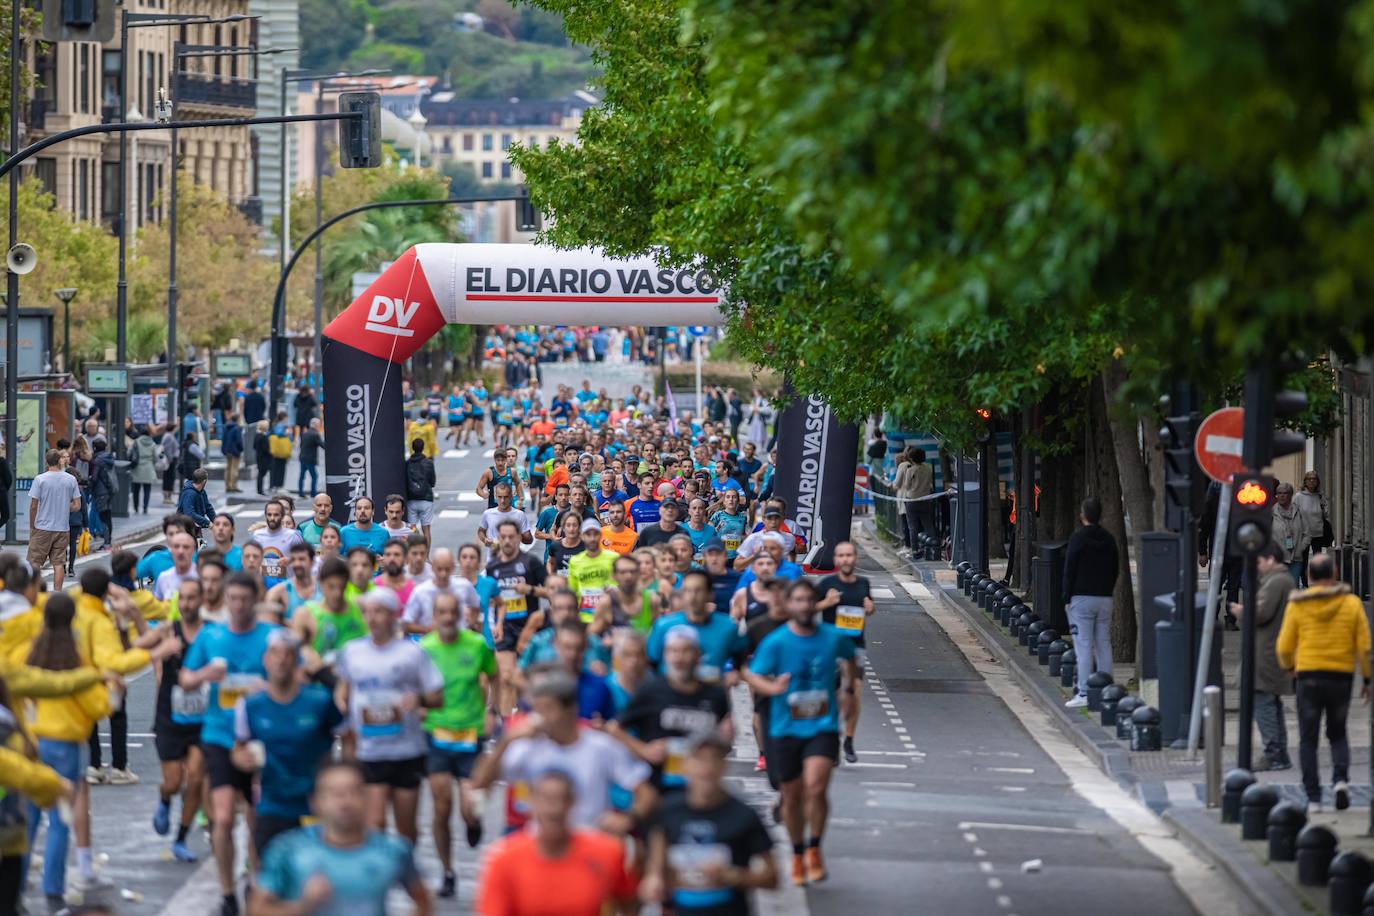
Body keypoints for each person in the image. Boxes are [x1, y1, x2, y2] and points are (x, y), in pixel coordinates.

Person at [744, 579, 857, 885]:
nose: (805, 606)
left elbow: (851, 658)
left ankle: (814, 848)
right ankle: (796, 853)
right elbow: (753, 676)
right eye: (799, 600)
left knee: (817, 787)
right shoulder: (776, 642)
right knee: (792, 798)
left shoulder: (833, 637)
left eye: (810, 600)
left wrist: (848, 691)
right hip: (785, 727)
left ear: (815, 604)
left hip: (821, 726)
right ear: (790, 605)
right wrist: (772, 687)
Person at [179, 571, 278, 916]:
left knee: (255, 818)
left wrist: (265, 688)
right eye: (232, 599)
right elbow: (186, 679)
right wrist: (205, 675)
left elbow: (291, 679)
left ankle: (254, 879)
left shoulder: (271, 637)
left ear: (255, 600)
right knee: (222, 819)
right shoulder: (212, 636)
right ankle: (226, 892)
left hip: (260, 739)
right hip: (219, 736)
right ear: (225, 599)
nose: (238, 606)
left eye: (244, 600)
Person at [473, 669, 654, 832]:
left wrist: (629, 820)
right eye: (538, 709)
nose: (540, 717)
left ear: (571, 710)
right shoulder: (527, 746)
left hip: (588, 847)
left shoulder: (601, 747)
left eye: (548, 709)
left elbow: (646, 792)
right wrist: (506, 741)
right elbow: (480, 781)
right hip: (540, 849)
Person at [334, 588, 444, 845]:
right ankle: (378, 878)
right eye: (368, 612)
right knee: (375, 824)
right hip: (370, 750)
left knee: (406, 830)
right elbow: (344, 688)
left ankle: (406, 873)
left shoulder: (412, 653)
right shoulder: (352, 652)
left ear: (393, 615)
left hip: (406, 750)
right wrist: (342, 704)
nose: (372, 618)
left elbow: (437, 697)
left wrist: (418, 700)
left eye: (379, 612)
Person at [21, 592, 112, 906]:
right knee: (59, 821)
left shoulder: (33, 654)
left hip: (35, 744)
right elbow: (99, 707)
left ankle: (15, 883)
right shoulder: (76, 661)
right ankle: (53, 886)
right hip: (68, 747)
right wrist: (111, 689)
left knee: (29, 818)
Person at [252, 761, 432, 916]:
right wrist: (302, 906)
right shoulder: (288, 849)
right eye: (334, 794)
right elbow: (255, 910)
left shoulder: (393, 849)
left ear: (367, 799)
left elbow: (423, 901)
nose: (345, 802)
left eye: (353, 792)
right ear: (315, 802)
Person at [232, 629, 344, 856]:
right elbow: (238, 750)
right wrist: (242, 760)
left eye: (288, 654)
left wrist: (341, 784)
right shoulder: (251, 706)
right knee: (268, 875)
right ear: (265, 660)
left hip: (314, 805)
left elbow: (348, 737)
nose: (281, 660)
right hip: (272, 804)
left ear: (297, 661)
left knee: (312, 881)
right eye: (275, 653)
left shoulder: (320, 701)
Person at [641, 733, 779, 914]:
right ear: (685, 765)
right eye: (699, 759)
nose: (707, 768)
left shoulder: (743, 815)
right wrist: (654, 876)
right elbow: (658, 840)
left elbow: (772, 878)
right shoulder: (668, 809)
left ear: (724, 766)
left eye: (714, 759)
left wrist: (731, 876)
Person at [1276, 551, 1372, 811]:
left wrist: (1290, 668)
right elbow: (1363, 646)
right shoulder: (1351, 604)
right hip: (1340, 677)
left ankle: (1314, 797)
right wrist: (1367, 679)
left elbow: (1284, 646)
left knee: (1308, 739)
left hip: (1308, 676)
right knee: (1338, 733)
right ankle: (1340, 781)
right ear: (1335, 574)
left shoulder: (1298, 605)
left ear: (1308, 576)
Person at [476, 769, 637, 916]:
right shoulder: (504, 859)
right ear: (531, 803)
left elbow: (628, 902)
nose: (554, 809)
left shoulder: (606, 853)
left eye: (561, 799)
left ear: (572, 803)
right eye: (546, 799)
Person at [421, 592, 497, 898]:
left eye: (453, 612)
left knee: (469, 808)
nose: (448, 617)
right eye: (442, 612)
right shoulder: (425, 648)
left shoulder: (476, 645)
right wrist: (418, 708)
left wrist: (492, 711)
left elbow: (495, 676)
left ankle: (473, 823)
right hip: (436, 734)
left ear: (460, 614)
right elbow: (415, 685)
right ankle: (448, 872)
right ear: (435, 615)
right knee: (441, 807)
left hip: (470, 734)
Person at [615, 625, 732, 792]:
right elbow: (615, 728)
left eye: (686, 651)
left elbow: (723, 743)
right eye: (673, 651)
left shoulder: (716, 695)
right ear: (665, 656)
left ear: (698, 654)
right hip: (658, 785)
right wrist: (644, 750)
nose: (679, 658)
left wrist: (726, 738)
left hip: (699, 787)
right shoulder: (651, 690)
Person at [144, 577, 207, 862]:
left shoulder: (211, 634)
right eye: (182, 599)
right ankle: (165, 799)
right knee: (173, 782)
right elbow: (139, 646)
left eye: (192, 598)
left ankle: (180, 838)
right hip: (170, 716)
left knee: (195, 779)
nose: (187, 604)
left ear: (202, 601)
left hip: (201, 719)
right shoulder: (170, 630)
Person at [1230, 543, 1296, 771]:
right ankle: (1279, 751)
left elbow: (1261, 612)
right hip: (1268, 649)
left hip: (1266, 652)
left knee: (1264, 701)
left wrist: (1241, 612)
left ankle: (1273, 751)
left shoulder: (1277, 581)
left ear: (1270, 559)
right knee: (1270, 702)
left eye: (1258, 562)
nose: (1257, 567)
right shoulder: (1281, 581)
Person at [816, 540, 874, 763]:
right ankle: (830, 735)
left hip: (855, 647)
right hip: (829, 647)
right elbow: (807, 609)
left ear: (855, 558)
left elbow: (867, 609)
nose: (845, 559)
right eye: (841, 556)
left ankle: (848, 739)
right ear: (835, 560)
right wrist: (826, 602)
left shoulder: (863, 583)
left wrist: (870, 609)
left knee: (854, 693)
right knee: (831, 695)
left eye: (849, 555)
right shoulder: (826, 584)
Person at [486, 519, 549, 713]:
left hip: (528, 627)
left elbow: (551, 590)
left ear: (518, 538)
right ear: (497, 538)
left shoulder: (530, 562)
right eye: (502, 537)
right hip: (504, 627)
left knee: (524, 679)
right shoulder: (493, 567)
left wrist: (530, 589)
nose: (506, 541)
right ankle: (506, 726)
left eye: (511, 537)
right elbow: (491, 599)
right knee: (505, 676)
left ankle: (524, 716)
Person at [1062, 497, 1119, 709]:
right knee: (1103, 643)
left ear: (1082, 515)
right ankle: (1106, 689)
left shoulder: (1078, 539)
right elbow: (1115, 567)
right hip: (1104, 597)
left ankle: (1084, 691)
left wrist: (1066, 597)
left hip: (1081, 598)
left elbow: (1069, 569)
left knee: (1083, 645)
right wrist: (1108, 590)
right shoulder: (1109, 539)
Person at [647, 570, 746, 686]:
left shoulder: (728, 627)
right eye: (687, 591)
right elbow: (651, 662)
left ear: (710, 594)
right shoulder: (663, 625)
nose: (692, 597)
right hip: (670, 695)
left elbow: (741, 654)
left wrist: (735, 673)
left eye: (698, 591)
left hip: (711, 695)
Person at [28, 448, 82, 588]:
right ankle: (57, 593)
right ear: (60, 461)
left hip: (42, 527)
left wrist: (32, 525)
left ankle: (36, 591)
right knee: (58, 563)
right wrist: (64, 507)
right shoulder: (71, 480)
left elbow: (33, 506)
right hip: (62, 528)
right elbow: (77, 505)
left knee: (35, 562)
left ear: (47, 462)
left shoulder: (40, 479)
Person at [403, 547, 479, 637]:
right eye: (439, 569)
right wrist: (428, 629)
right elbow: (407, 623)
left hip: (459, 642)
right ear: (432, 567)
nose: (443, 574)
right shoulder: (421, 591)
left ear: (453, 567)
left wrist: (469, 626)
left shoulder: (464, 586)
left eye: (447, 569)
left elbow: (475, 606)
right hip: (431, 646)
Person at [567, 517, 618, 623]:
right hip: (584, 618)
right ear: (581, 536)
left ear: (600, 535)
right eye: (588, 534)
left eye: (595, 534)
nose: (592, 538)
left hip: (608, 617)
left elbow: (622, 586)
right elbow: (573, 592)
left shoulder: (614, 558)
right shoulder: (575, 561)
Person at [253, 499, 305, 590]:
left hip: (287, 587)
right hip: (264, 587)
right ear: (265, 516)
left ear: (282, 516)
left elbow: (306, 558)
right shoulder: (257, 536)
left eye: (276, 515)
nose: (272, 518)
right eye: (269, 515)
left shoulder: (292, 536)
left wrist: (290, 560)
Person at [1272, 482, 1311, 585]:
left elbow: (1307, 533)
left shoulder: (1299, 511)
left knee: (1293, 587)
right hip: (1278, 559)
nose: (1282, 495)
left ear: (1291, 494)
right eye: (1279, 493)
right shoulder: (1271, 513)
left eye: (1285, 493)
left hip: (1295, 558)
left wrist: (1300, 547)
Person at [478, 481, 533, 554]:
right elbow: (481, 531)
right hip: (493, 559)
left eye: (506, 497)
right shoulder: (488, 513)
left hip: (513, 560)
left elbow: (529, 540)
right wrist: (485, 539)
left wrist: (517, 534)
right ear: (496, 496)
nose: (502, 501)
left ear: (511, 496)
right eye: (500, 497)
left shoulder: (520, 515)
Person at [405, 437, 437, 545]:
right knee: (426, 530)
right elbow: (432, 482)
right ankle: (426, 556)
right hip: (426, 498)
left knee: (412, 529)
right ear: (423, 448)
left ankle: (413, 552)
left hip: (411, 498)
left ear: (412, 448)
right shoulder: (428, 463)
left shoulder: (407, 463)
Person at [153, 529, 199, 601]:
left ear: (193, 551)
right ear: (170, 550)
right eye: (176, 547)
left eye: (186, 547)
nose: (180, 551)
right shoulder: (163, 577)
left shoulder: (202, 575)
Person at [177, 467, 215, 534]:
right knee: (192, 544)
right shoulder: (189, 493)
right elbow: (189, 513)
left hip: (196, 526)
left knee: (202, 544)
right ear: (204, 481)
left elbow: (208, 508)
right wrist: (207, 523)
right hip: (185, 527)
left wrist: (216, 522)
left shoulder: (202, 491)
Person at [130, 424, 159, 513]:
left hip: (137, 467)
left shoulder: (135, 442)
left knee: (136, 489)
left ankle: (135, 507)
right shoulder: (153, 443)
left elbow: (130, 453)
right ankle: (145, 507)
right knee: (147, 489)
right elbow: (155, 457)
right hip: (148, 468)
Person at [297, 418, 324, 498]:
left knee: (302, 476)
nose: (319, 426)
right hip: (310, 458)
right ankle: (313, 493)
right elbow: (322, 445)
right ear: (316, 425)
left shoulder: (305, 433)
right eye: (319, 424)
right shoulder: (315, 434)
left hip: (302, 457)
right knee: (314, 476)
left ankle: (300, 492)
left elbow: (301, 445)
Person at [221, 410, 244, 493]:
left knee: (228, 468)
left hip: (227, 450)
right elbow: (239, 441)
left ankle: (227, 485)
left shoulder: (226, 427)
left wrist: (223, 449)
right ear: (237, 419)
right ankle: (233, 486)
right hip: (235, 451)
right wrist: (241, 449)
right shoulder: (237, 428)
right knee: (234, 469)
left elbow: (223, 439)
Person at [160, 423, 182, 505]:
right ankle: (167, 496)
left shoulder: (168, 435)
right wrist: (170, 459)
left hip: (171, 459)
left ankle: (168, 496)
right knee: (169, 477)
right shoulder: (169, 436)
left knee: (168, 477)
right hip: (171, 460)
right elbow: (168, 449)